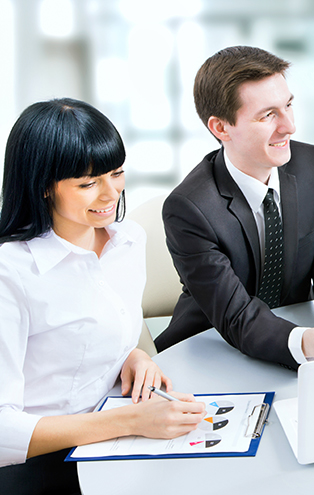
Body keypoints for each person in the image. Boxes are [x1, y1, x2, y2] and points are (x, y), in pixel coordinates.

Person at [0, 99, 205, 494]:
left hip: (111, 434)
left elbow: (91, 326)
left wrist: (133, 355)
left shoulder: (127, 241)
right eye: (87, 183)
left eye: (117, 173)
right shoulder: (11, 272)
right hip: (39, 462)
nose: (110, 194)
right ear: (44, 186)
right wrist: (132, 422)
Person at [153, 46, 314, 369]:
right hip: (213, 352)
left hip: (301, 344)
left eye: (288, 106)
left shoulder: (313, 165)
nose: (289, 126)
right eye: (268, 115)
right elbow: (236, 315)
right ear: (221, 128)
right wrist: (309, 342)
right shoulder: (189, 208)